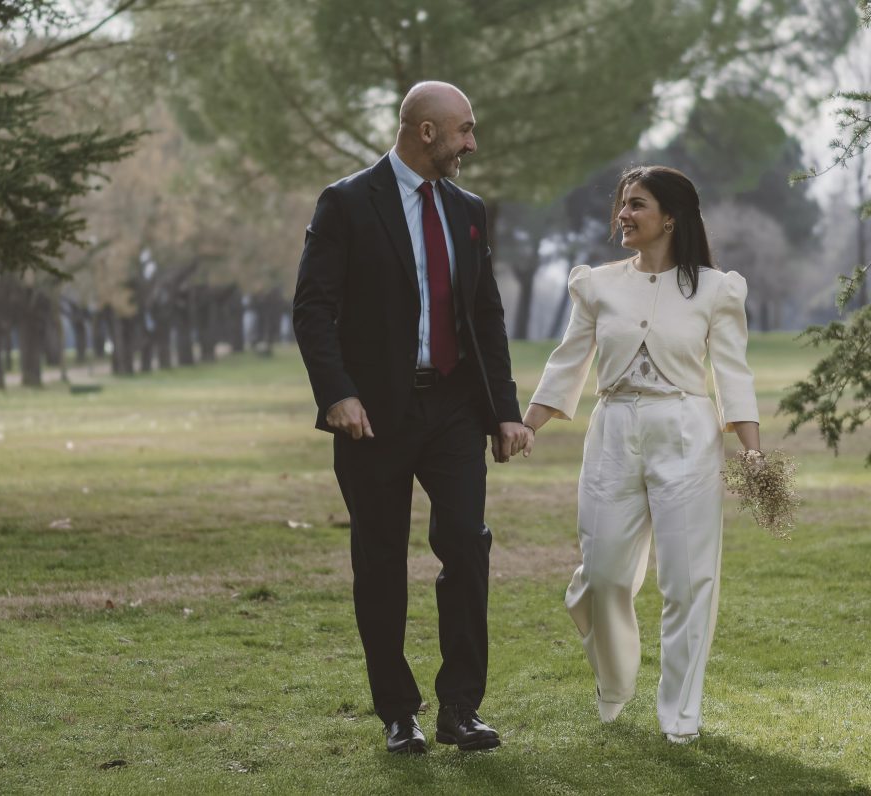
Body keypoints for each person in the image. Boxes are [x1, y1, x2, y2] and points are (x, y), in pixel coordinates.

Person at [292, 81, 529, 755]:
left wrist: (504, 413)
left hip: (454, 407)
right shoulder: (345, 203)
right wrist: (337, 393)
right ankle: (398, 712)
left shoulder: (470, 210)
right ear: (426, 131)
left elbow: (485, 315)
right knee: (381, 561)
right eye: (464, 131)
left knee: (466, 544)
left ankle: (461, 708)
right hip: (373, 414)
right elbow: (312, 307)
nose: (472, 144)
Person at [521, 166, 760, 743]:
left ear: (670, 218)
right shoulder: (597, 285)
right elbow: (568, 360)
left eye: (637, 205)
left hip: (685, 430)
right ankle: (614, 677)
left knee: (687, 580)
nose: (622, 214)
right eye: (623, 204)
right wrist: (528, 425)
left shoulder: (715, 288)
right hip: (613, 430)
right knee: (602, 573)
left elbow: (732, 372)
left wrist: (752, 452)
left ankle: (680, 715)